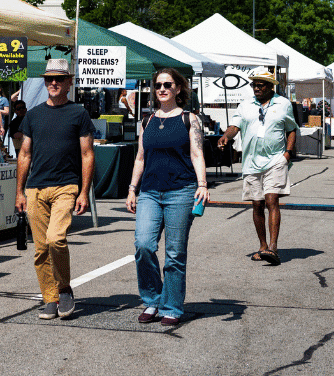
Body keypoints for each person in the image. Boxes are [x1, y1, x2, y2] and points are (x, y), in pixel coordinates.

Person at [126, 69, 208, 327]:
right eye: (158, 85)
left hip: (181, 192)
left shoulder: (189, 119)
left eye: (167, 84)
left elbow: (196, 154)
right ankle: (152, 300)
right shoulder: (147, 121)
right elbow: (140, 157)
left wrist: (203, 184)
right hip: (149, 191)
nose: (162, 89)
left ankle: (172, 306)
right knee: (143, 245)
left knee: (174, 253)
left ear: (178, 89)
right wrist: (132, 188)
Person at [15, 59, 95, 321]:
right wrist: (19, 191)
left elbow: (87, 154)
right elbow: (24, 154)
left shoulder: (78, 114)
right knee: (40, 249)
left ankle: (64, 288)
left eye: (59, 79)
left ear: (69, 82)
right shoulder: (34, 115)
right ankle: (49, 298)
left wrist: (84, 192)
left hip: (66, 186)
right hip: (36, 189)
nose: (53, 83)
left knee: (55, 239)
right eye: (49, 78)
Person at [217, 66, 297, 266]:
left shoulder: (283, 104)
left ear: (271, 87)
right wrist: (226, 137)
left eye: (261, 85)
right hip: (251, 161)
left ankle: (273, 247)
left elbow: (292, 129)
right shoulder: (245, 106)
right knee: (257, 204)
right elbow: (235, 126)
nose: (256, 88)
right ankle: (262, 246)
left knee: (272, 200)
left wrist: (287, 153)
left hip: (276, 160)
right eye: (254, 85)